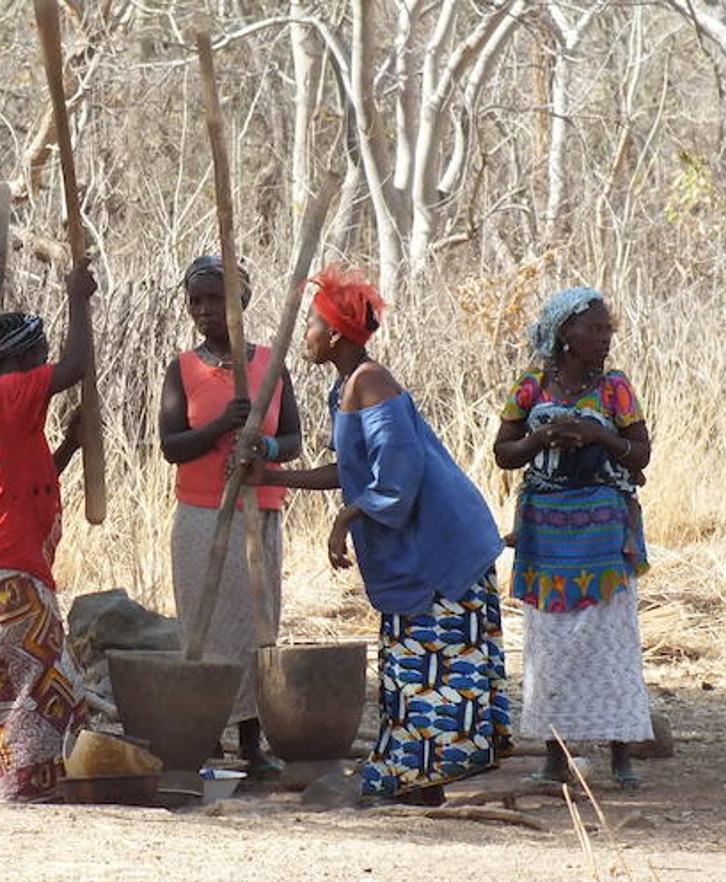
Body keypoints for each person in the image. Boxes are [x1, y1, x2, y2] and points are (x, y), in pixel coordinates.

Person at [249, 266, 510, 806]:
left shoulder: (370, 381)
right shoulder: (347, 387)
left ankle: (421, 777)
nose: (308, 337)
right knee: (413, 660)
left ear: (338, 335)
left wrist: (347, 518)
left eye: (314, 326)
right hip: (418, 546)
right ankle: (416, 776)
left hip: (440, 545)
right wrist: (274, 477)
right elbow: (351, 470)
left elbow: (400, 471)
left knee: (433, 660)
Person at [0, 258, 97, 802]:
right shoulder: (8, 395)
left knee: (9, 684)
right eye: (40, 355)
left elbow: (22, 487)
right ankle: (19, 791)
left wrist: (73, 445)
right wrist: (78, 296)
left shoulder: (1, 414)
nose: (45, 364)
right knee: (39, 681)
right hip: (2, 569)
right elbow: (77, 365)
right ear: (22, 360)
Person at [492, 286, 653, 789]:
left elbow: (640, 454)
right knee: (550, 644)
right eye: (594, 329)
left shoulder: (615, 389)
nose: (604, 338)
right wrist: (542, 438)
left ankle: (621, 751)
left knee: (611, 641)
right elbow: (504, 452)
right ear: (566, 334)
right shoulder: (531, 386)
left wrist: (596, 435)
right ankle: (555, 755)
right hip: (545, 531)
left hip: (602, 531)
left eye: (607, 329)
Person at [158, 254, 302, 777]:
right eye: (195, 301)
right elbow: (171, 445)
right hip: (200, 516)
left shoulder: (270, 363)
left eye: (215, 299)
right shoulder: (183, 367)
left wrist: (262, 445)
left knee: (255, 628)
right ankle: (205, 736)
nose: (203, 310)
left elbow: (293, 439)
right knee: (203, 628)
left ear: (241, 300)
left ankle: (251, 741)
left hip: (256, 512)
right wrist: (220, 424)